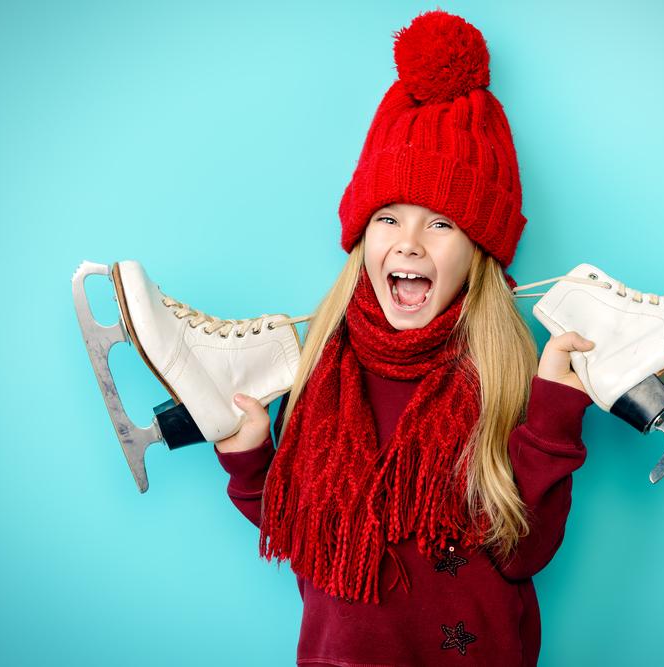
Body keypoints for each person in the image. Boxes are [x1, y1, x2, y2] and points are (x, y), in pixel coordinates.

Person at [214, 10, 595, 666]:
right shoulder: (322, 370)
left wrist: (555, 417)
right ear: (363, 238)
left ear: (479, 251)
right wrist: (252, 461)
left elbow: (525, 548)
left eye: (441, 222)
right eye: (388, 217)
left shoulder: (499, 375)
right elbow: (304, 532)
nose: (409, 242)